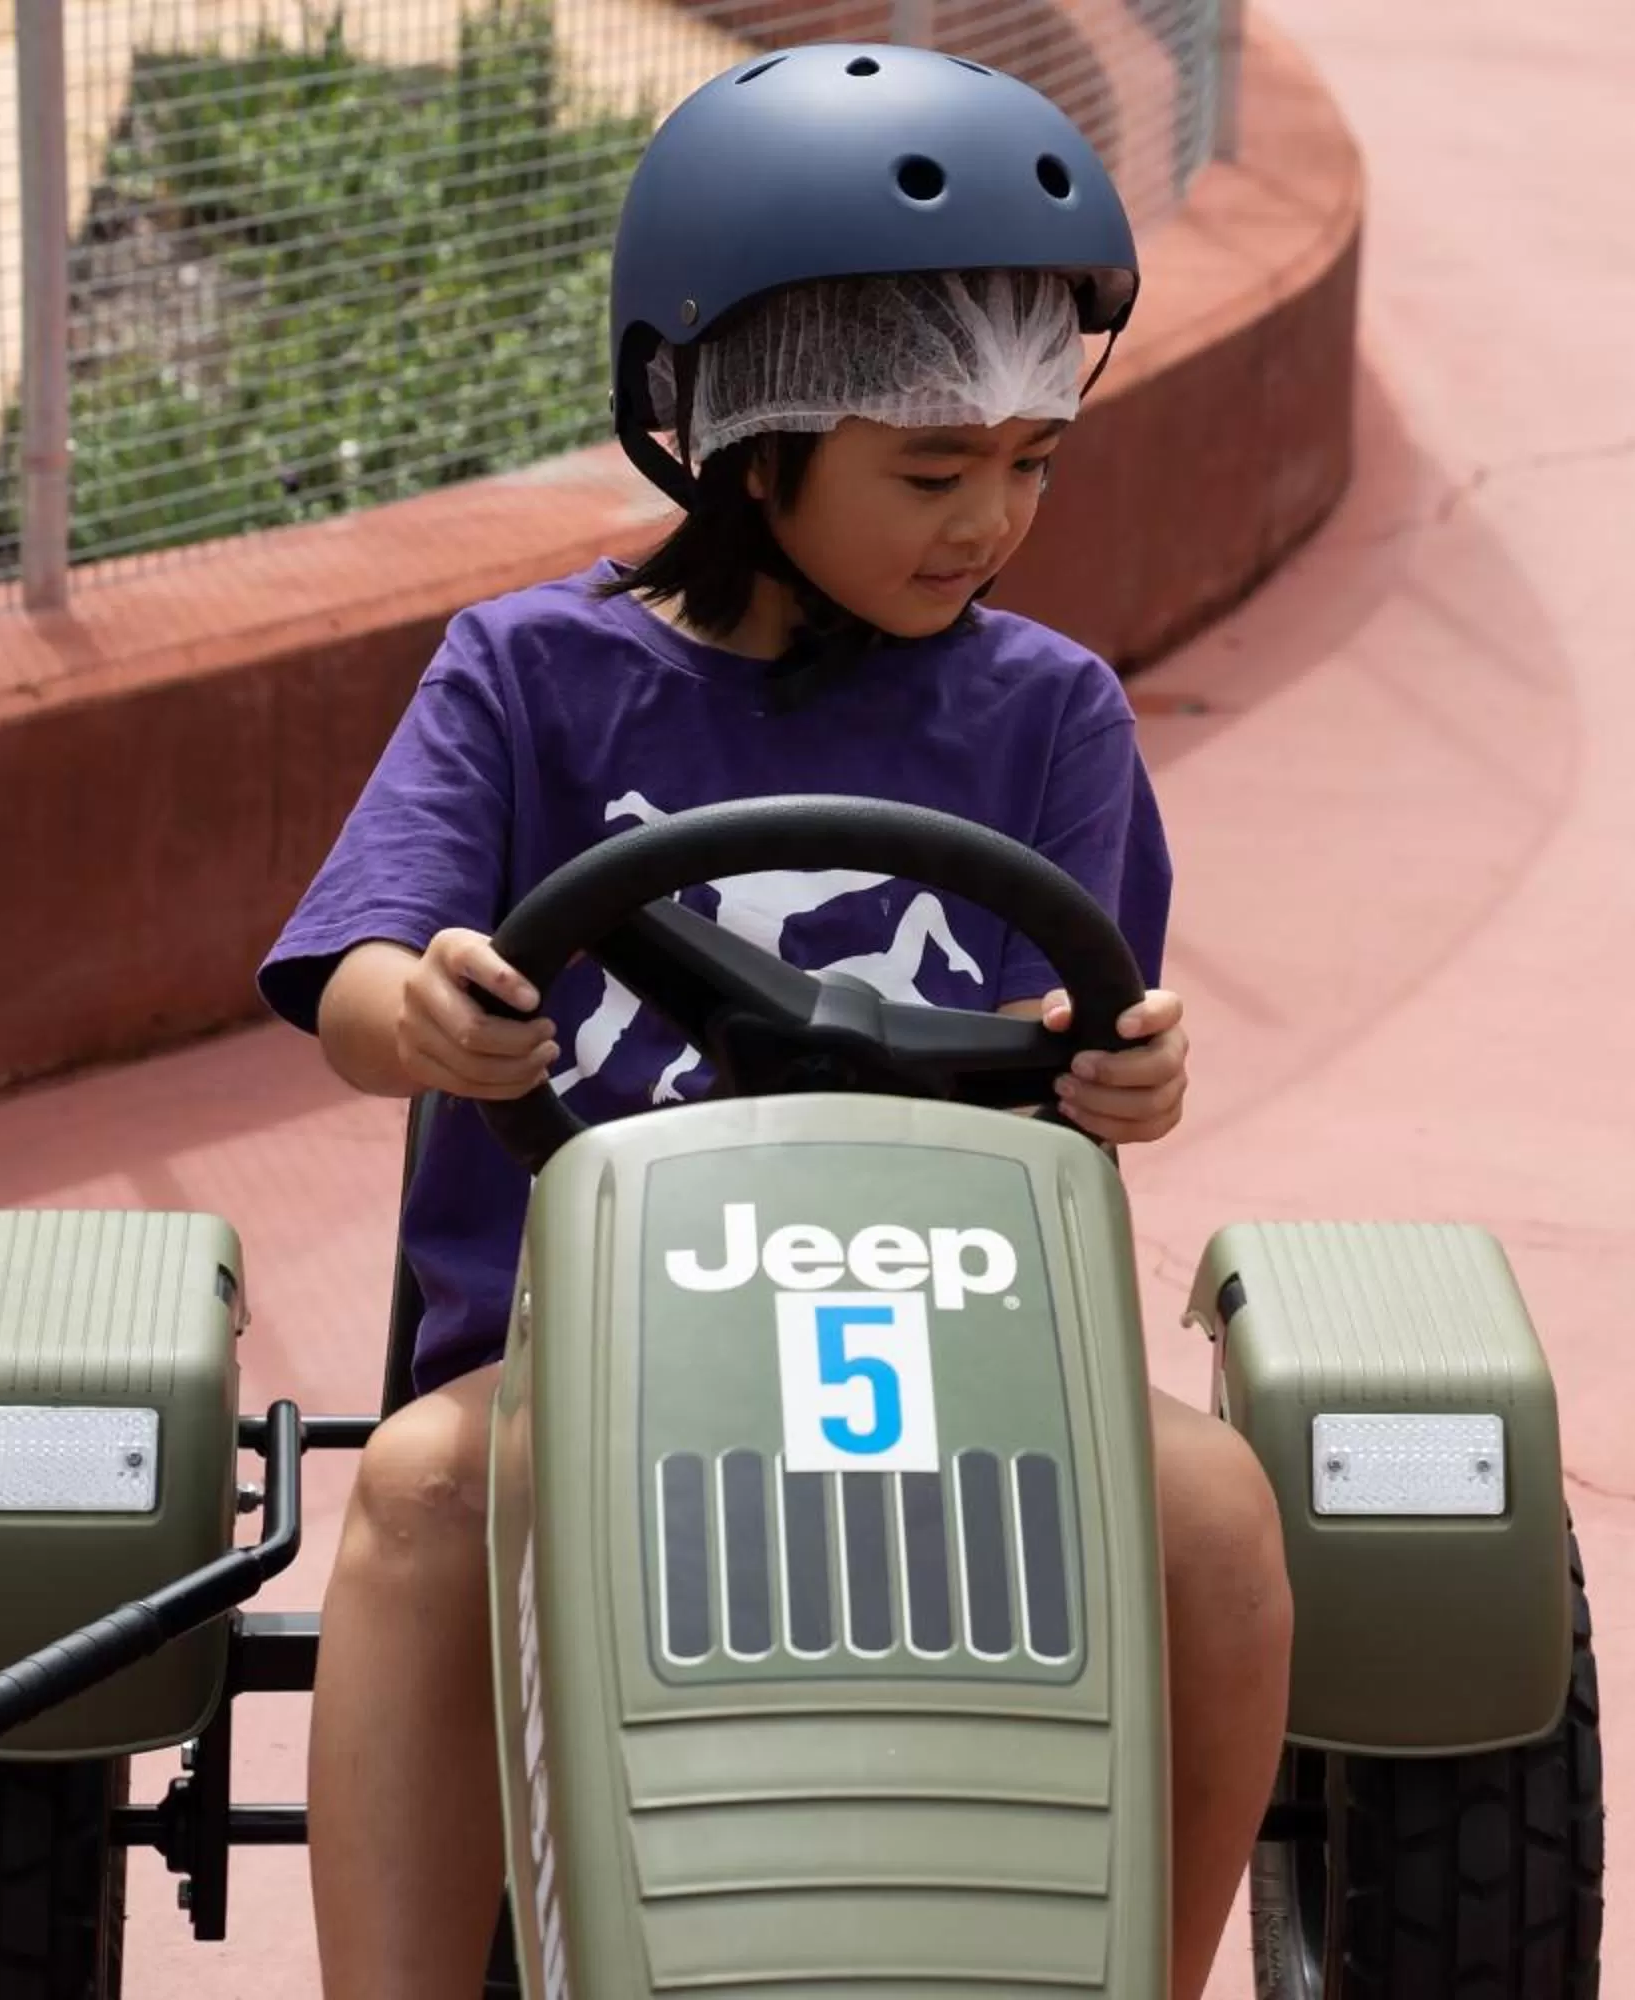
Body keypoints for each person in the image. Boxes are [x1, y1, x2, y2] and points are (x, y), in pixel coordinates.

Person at [253, 44, 1292, 2000]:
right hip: (588, 1352)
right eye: (929, 470)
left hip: (955, 1344)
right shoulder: (531, 677)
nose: (990, 517)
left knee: (1223, 1511)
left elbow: (1093, 1032)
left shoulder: (1051, 711)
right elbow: (363, 979)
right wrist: (439, 1016)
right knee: (413, 1491)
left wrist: (1133, 1071)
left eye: (1030, 461)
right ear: (741, 444)